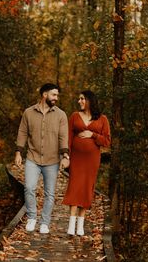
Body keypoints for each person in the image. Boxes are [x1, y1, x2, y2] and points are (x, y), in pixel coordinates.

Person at [14, 83, 70, 234]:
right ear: (44, 95)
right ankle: (32, 217)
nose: (56, 98)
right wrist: (18, 152)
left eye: (57, 95)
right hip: (33, 157)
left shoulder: (61, 115)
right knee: (29, 188)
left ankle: (45, 222)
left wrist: (65, 155)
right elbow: (22, 132)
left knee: (49, 193)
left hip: (52, 160)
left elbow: (63, 137)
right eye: (54, 95)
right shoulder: (28, 113)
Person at [62, 90, 111, 236]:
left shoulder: (102, 119)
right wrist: (66, 155)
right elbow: (68, 138)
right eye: (79, 99)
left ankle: (81, 225)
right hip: (76, 158)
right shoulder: (74, 116)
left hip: (92, 160)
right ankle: (71, 224)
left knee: (86, 187)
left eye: (82, 99)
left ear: (90, 100)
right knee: (75, 186)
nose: (79, 101)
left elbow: (107, 141)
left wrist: (93, 134)